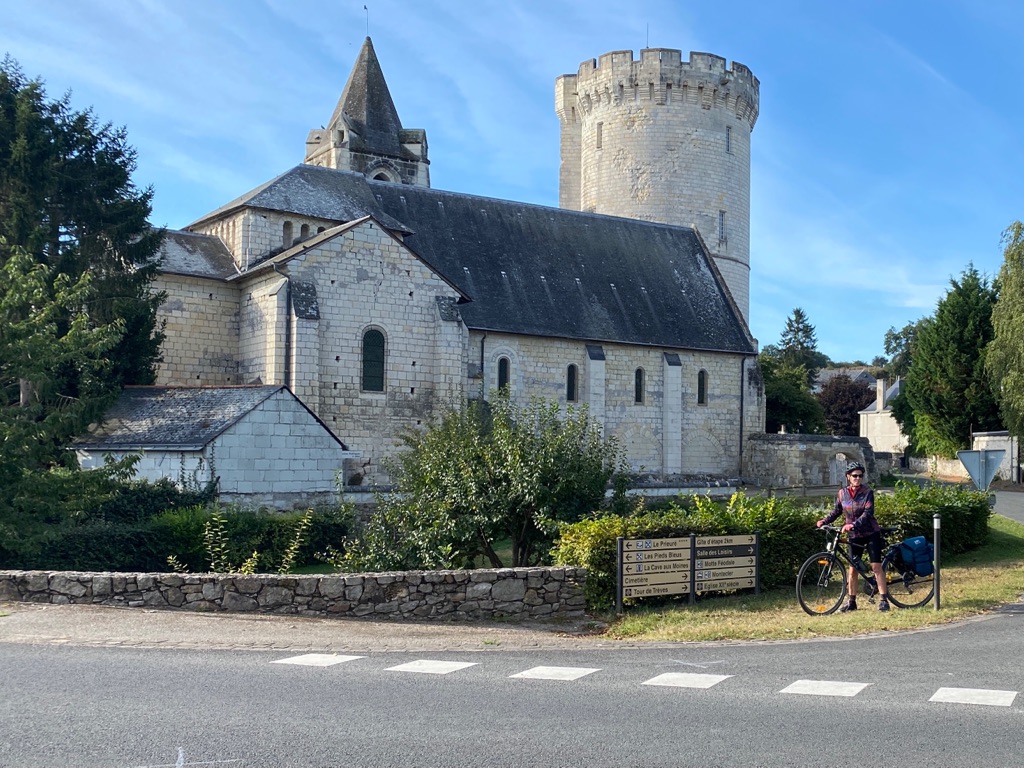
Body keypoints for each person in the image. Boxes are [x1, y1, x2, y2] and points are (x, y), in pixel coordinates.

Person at [816, 460, 890, 612]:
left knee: (876, 567)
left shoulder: (867, 492)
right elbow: (837, 511)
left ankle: (884, 600)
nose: (858, 478)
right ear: (848, 477)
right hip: (854, 535)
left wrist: (853, 524)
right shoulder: (842, 493)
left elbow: (868, 513)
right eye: (855, 476)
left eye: (860, 476)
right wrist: (824, 521)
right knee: (853, 569)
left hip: (870, 532)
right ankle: (852, 602)